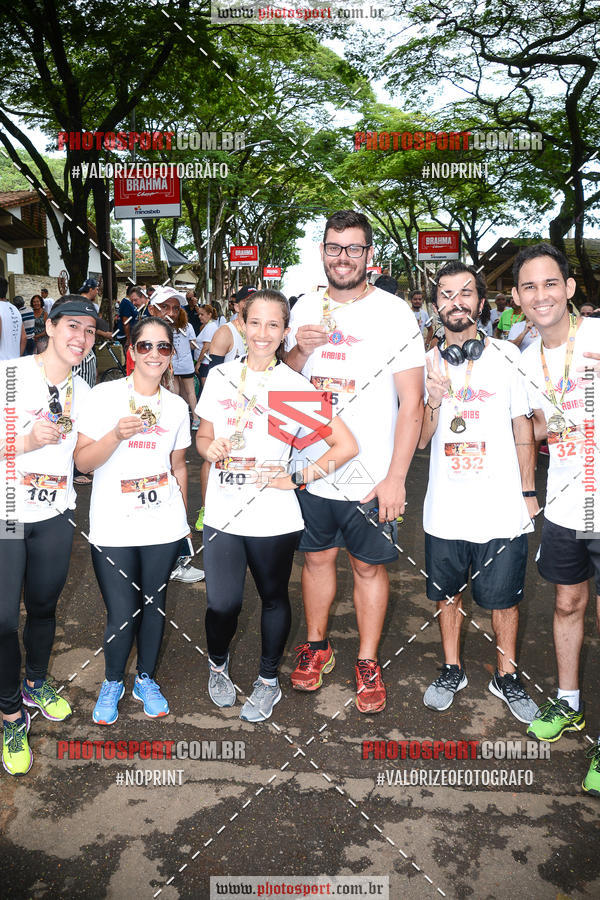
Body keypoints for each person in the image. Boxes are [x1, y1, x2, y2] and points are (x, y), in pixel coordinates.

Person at [285, 209, 425, 713]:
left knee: (368, 567)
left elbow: (413, 403)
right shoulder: (303, 306)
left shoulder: (394, 312)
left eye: (352, 248)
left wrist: (396, 478)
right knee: (316, 559)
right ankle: (317, 647)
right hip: (313, 467)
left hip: (371, 478)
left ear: (369, 255)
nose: (342, 257)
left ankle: (367, 661)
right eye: (333, 247)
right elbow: (285, 384)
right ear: (321, 252)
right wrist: (297, 352)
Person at [195, 289, 358, 721]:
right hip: (224, 512)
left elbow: (345, 446)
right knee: (222, 604)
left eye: (273, 325)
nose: (263, 333)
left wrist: (297, 478)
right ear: (242, 325)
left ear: (285, 331)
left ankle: (268, 681)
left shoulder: (292, 386)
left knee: (272, 597)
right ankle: (217, 665)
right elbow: (203, 438)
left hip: (273, 514)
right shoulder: (222, 377)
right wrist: (209, 450)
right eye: (255, 323)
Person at [418, 261, 539, 722]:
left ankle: (505, 674)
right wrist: (432, 398)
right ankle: (452, 667)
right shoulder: (428, 362)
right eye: (446, 294)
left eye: (465, 293)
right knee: (447, 593)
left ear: (481, 303)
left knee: (504, 598)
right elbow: (424, 438)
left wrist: (528, 491)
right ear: (436, 307)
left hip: (501, 504)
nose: (455, 302)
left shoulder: (510, 356)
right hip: (446, 505)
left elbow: (522, 426)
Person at [74, 316, 193, 725]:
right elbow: (81, 461)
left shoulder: (176, 406)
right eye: (146, 346)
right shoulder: (105, 396)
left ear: (171, 354)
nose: (154, 355)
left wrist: (185, 525)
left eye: (163, 347)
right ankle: (112, 681)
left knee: (154, 605)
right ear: (131, 350)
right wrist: (114, 436)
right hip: (113, 523)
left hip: (162, 522)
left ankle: (145, 678)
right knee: (122, 609)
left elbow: (178, 467)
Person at [514, 243, 600, 796]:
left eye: (551, 283)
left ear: (569, 289)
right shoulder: (525, 359)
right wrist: (526, 489)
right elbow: (535, 427)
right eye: (529, 287)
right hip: (569, 503)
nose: (540, 295)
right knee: (567, 602)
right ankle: (568, 701)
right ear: (519, 299)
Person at [0, 295, 98, 775]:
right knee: (2, 620)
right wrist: (23, 441)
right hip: (8, 512)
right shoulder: (11, 374)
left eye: (90, 331)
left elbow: (81, 459)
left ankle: (35, 681)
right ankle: (9, 713)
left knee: (43, 607)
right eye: (72, 327)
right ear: (50, 326)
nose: (80, 338)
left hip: (55, 512)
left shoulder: (84, 390)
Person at [194, 286, 253, 533]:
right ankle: (207, 508)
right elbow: (211, 372)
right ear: (237, 305)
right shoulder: (226, 332)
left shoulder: (258, 331)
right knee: (213, 455)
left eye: (256, 299)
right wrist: (211, 407)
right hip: (226, 405)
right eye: (247, 300)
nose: (252, 304)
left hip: (253, 405)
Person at [149, 290, 199, 427]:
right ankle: (195, 419)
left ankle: (177, 419)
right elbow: (194, 345)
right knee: (190, 393)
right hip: (186, 364)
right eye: (165, 307)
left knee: (174, 392)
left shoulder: (168, 329)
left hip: (175, 365)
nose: (171, 313)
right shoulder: (187, 327)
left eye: (176, 309)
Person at [194, 305, 220, 388]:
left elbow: (206, 347)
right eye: (199, 314)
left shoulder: (210, 327)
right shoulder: (207, 326)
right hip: (204, 363)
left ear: (209, 314)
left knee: (205, 388)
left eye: (202, 314)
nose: (199, 317)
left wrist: (198, 363)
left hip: (205, 363)